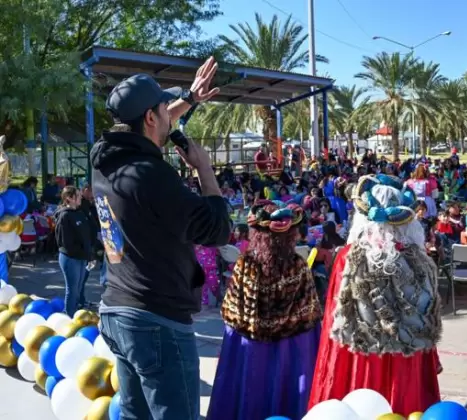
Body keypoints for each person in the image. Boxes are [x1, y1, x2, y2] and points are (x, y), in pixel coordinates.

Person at [93, 60, 233, 420]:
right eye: (162, 108)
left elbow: (142, 122)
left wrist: (189, 98)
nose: (168, 114)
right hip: (156, 321)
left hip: (116, 311)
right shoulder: (152, 175)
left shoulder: (105, 162)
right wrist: (203, 168)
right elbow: (217, 229)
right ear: (152, 119)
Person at [309, 175, 443, 414]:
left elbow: (334, 320)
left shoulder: (347, 258)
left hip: (360, 360)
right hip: (406, 359)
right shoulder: (420, 261)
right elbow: (428, 318)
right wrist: (430, 359)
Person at [208, 202, 322, 420]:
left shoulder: (245, 264)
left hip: (252, 348)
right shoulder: (297, 264)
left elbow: (232, 312)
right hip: (293, 346)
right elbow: (310, 312)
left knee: (251, 392)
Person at [54, 186, 95, 315]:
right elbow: (65, 242)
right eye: (77, 196)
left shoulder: (79, 212)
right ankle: (69, 316)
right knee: (72, 290)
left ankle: (75, 313)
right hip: (70, 258)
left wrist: (90, 254)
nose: (80, 198)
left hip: (82, 257)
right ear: (69, 198)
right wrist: (84, 253)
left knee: (78, 288)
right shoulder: (64, 216)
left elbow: (87, 235)